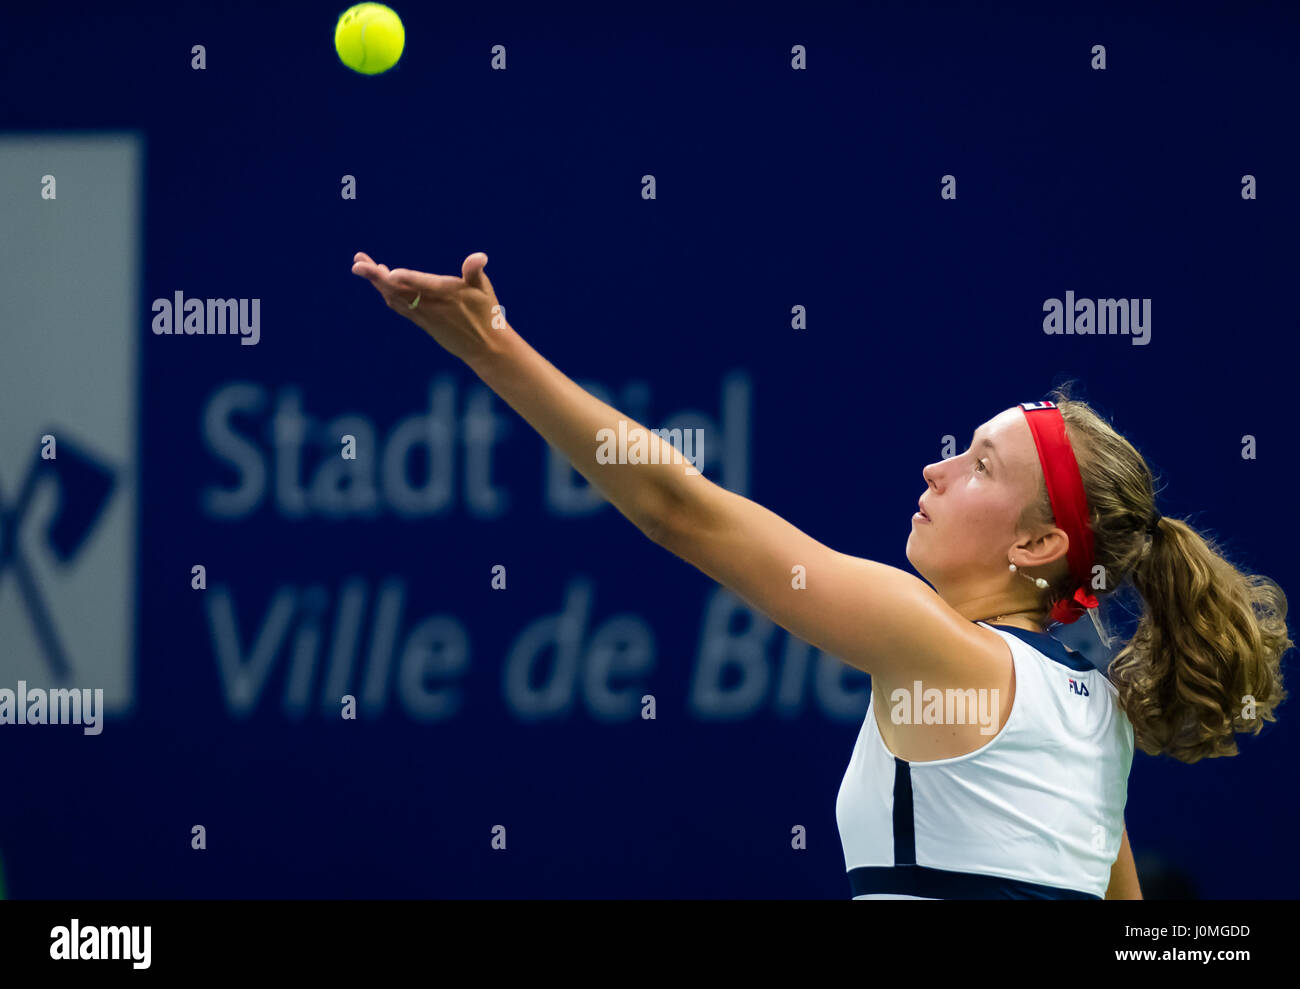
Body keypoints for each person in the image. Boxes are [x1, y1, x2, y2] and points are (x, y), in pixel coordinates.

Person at [351, 251, 1293, 899]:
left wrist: (490, 345)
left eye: (979, 465)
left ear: (1038, 544)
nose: (936, 470)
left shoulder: (939, 646)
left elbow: (677, 507)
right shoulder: (1099, 721)